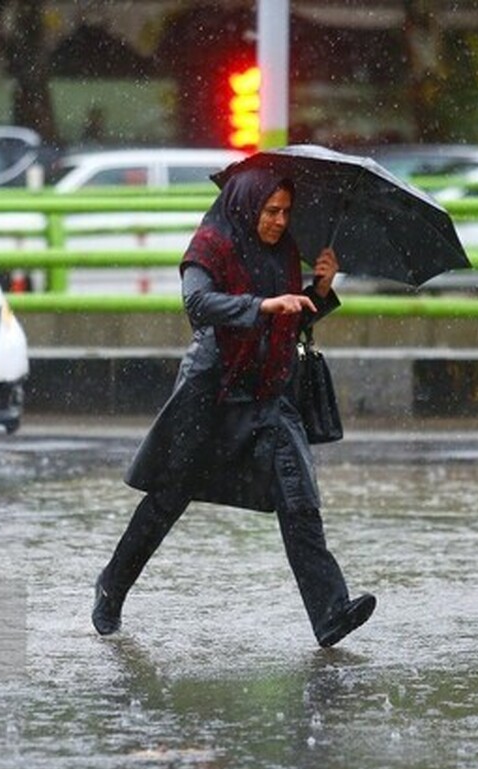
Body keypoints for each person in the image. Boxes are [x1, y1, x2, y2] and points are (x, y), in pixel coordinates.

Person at [91, 166, 376, 648]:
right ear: (248, 205)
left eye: (287, 212)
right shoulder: (211, 244)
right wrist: (261, 306)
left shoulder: (285, 251)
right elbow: (198, 304)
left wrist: (319, 293)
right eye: (271, 211)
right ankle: (111, 587)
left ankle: (331, 613)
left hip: (271, 394)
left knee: (299, 500)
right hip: (214, 391)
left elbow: (291, 320)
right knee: (167, 499)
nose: (280, 221)